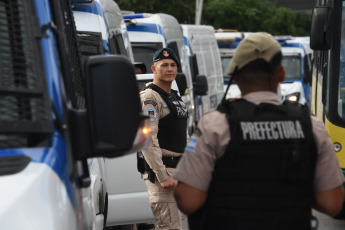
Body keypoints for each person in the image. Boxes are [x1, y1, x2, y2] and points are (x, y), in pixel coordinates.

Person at [173, 32, 345, 229]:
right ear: (281, 74)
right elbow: (333, 202)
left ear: (236, 77)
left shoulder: (214, 126)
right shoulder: (311, 126)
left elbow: (187, 200)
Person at [138, 47, 188, 230]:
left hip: (178, 170)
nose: (169, 69)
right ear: (154, 69)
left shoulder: (175, 97)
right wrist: (162, 175)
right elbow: (148, 140)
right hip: (163, 173)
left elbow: (183, 136)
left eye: (173, 65)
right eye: (164, 65)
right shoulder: (150, 97)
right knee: (170, 227)